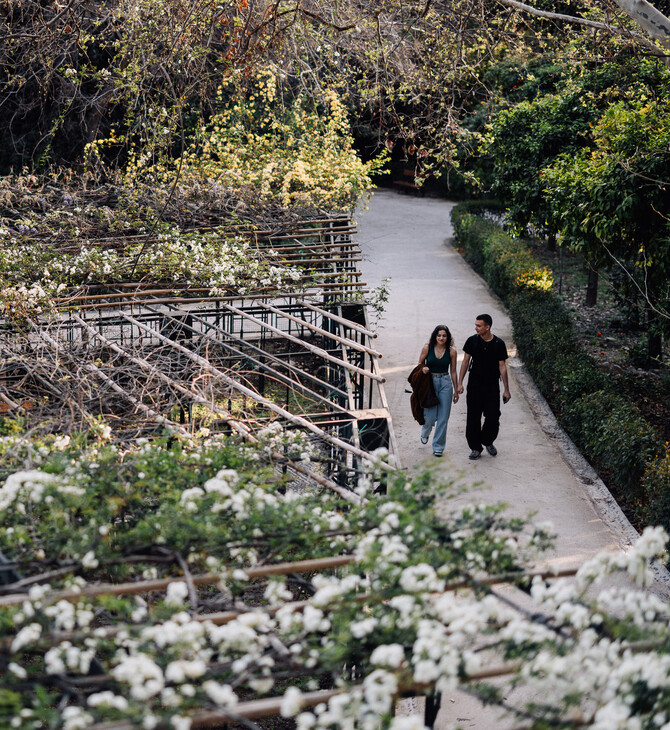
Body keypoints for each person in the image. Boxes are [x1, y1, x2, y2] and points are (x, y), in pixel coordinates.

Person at [457, 314, 511, 460]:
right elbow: (465, 362)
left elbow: (502, 367)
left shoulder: (499, 343)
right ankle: (475, 447)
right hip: (474, 385)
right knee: (473, 417)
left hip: (492, 386)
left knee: (493, 416)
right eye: (476, 325)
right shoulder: (472, 341)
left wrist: (506, 389)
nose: (476, 328)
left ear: (488, 327)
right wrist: (460, 383)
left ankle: (487, 441)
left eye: (479, 326)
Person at [417, 324, 459, 457]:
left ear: (448, 337)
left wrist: (456, 390)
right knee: (429, 417)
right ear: (435, 336)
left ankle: (438, 446)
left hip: (445, 382)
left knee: (443, 417)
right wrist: (423, 368)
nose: (441, 338)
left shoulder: (452, 351)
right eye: (439, 335)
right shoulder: (427, 347)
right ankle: (426, 431)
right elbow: (419, 364)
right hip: (430, 382)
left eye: (444, 336)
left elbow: (453, 371)